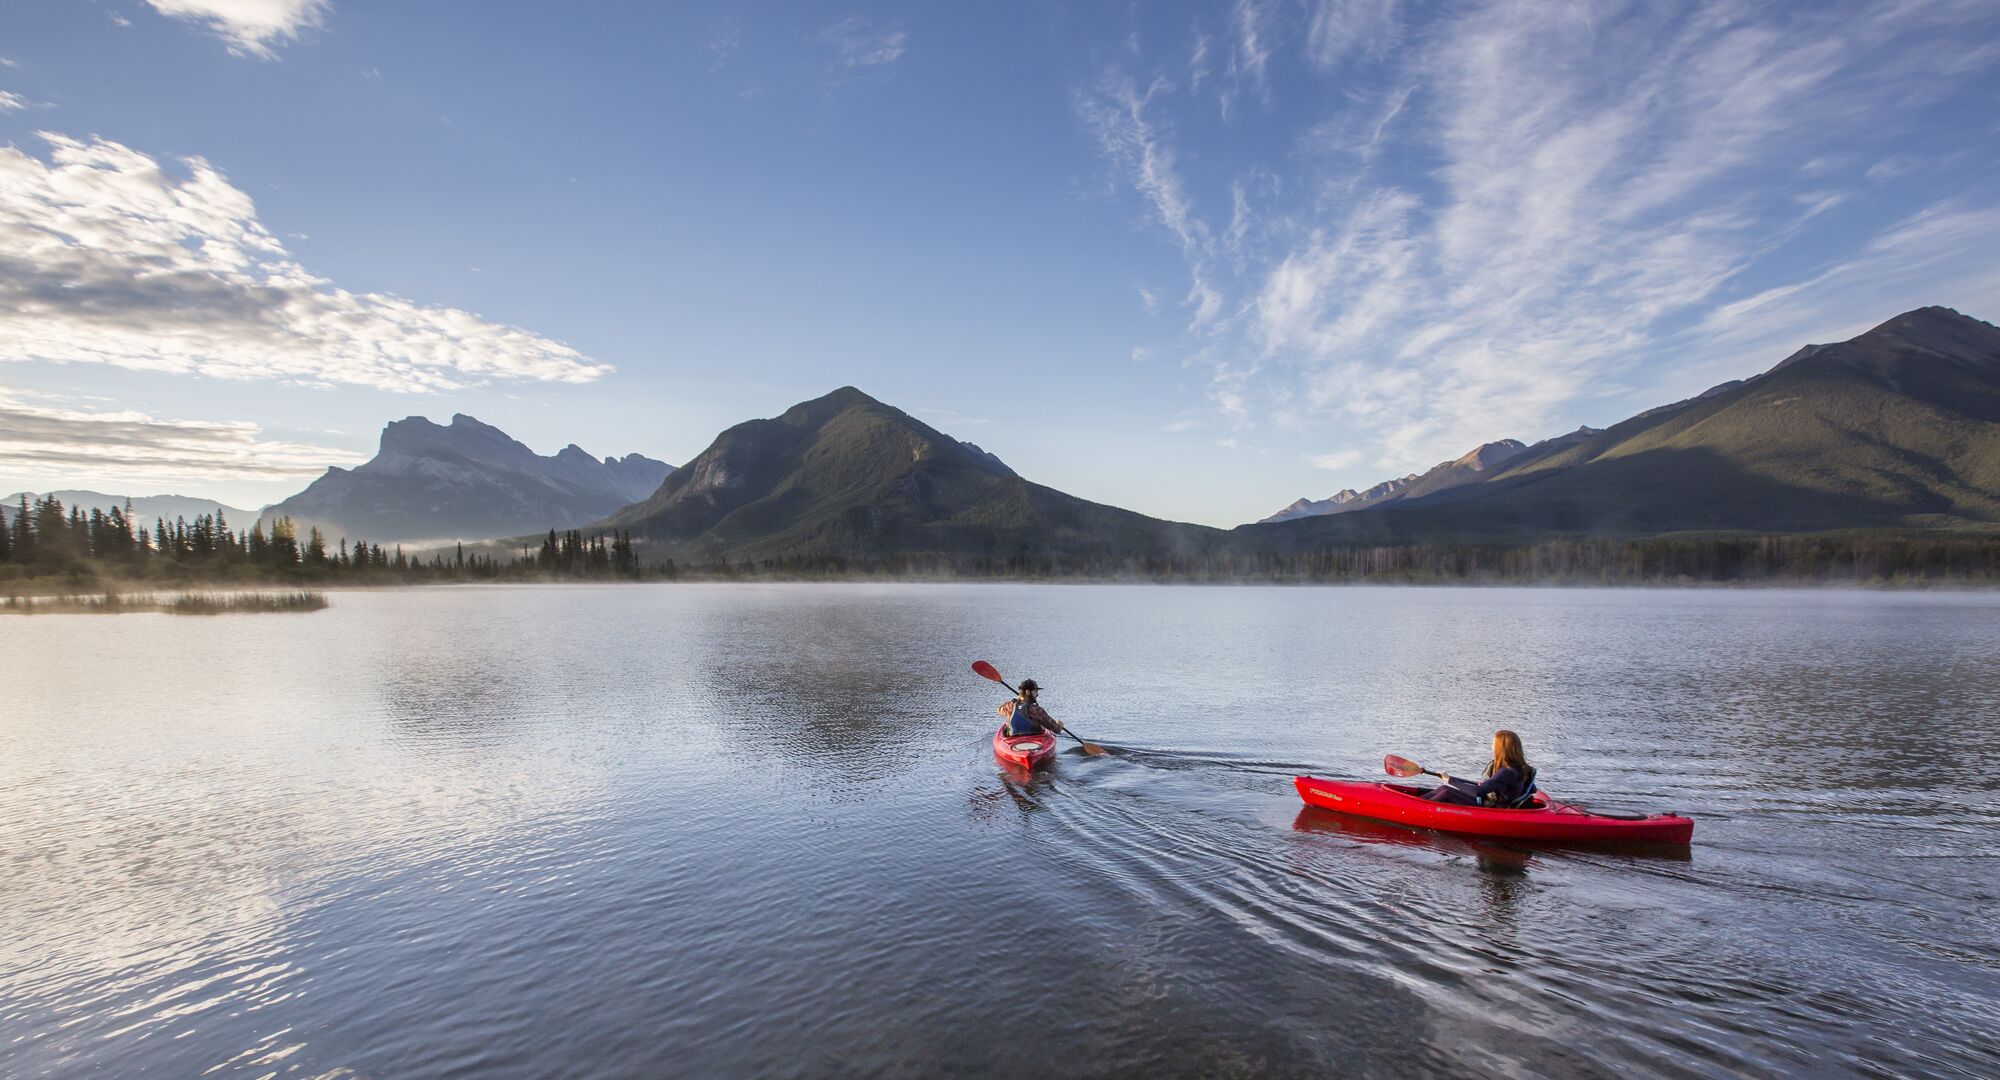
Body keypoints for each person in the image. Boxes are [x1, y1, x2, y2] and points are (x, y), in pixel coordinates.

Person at [1424, 729, 1536, 807]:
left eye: (1494, 744)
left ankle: (1418, 808)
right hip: (1496, 804)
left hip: (1493, 809)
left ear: (1501, 749)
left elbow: (1478, 792)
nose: (1492, 746)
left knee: (1446, 791)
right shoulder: (1520, 768)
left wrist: (1450, 780)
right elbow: (1532, 789)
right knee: (1443, 788)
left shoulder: (1507, 772)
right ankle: (1418, 802)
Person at [997, 679, 1066, 738]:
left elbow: (999, 710)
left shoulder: (1010, 706)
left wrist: (1015, 699)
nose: (1037, 694)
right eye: (1035, 692)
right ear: (1028, 692)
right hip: (1034, 740)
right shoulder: (1037, 710)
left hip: (1013, 739)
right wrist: (1060, 725)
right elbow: (1056, 730)